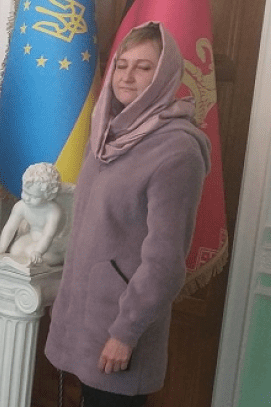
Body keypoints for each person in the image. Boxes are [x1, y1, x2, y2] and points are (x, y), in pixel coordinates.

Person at [44, 22, 210, 407]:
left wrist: (125, 332)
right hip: (85, 316)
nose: (127, 76)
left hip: (119, 327)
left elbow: (165, 262)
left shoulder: (177, 151)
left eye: (143, 67)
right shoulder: (106, 135)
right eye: (122, 65)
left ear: (164, 75)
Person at [0, 162, 65, 266]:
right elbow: (10, 227)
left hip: (52, 243)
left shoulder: (53, 211)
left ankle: (59, 258)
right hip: (31, 237)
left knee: (30, 252)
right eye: (25, 192)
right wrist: (2, 247)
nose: (27, 198)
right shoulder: (21, 206)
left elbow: (48, 235)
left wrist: (38, 251)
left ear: (48, 196)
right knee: (15, 250)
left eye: (34, 197)